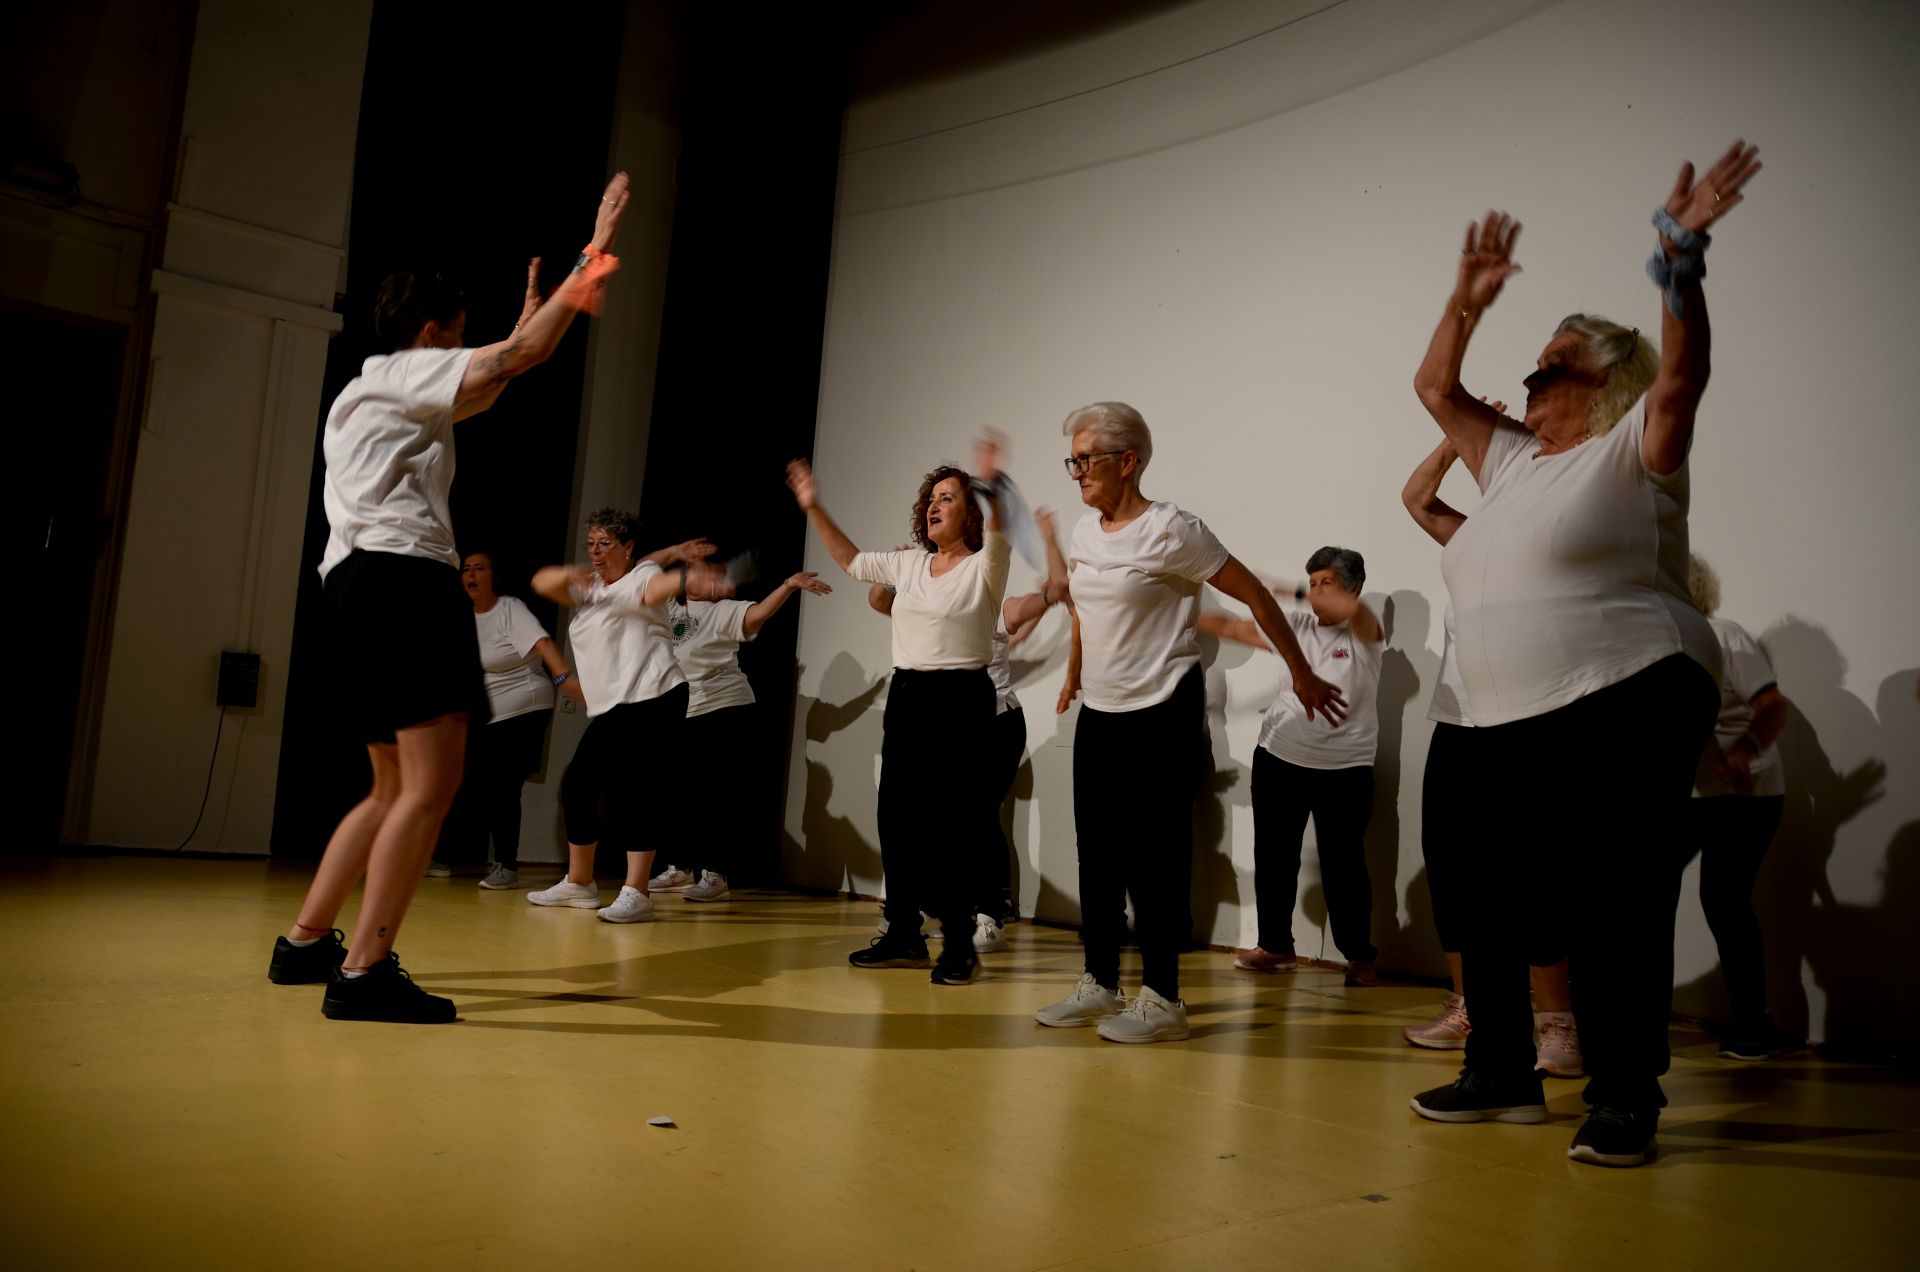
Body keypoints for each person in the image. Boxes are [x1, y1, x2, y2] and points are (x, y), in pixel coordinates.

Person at [1405, 141, 1760, 1168]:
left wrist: (1679, 257)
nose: (1534, 372)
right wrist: (1465, 302)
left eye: (1556, 359)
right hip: (1486, 709)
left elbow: (1686, 371)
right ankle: (1504, 1073)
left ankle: (1624, 1093)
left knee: (1614, 898)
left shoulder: (1631, 448)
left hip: (1626, 686)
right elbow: (1435, 386)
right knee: (1477, 893)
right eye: (1536, 358)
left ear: (1606, 378)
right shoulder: (1511, 458)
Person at [265, 171, 631, 1023]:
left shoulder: (372, 393)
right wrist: (595, 253)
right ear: (431, 334)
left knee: (389, 789)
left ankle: (307, 943)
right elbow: (518, 359)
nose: (464, 350)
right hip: (403, 585)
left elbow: (494, 378)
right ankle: (364, 973)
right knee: (433, 786)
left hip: (352, 591)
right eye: (457, 336)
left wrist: (524, 325)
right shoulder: (400, 376)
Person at [1039, 402, 1345, 1044]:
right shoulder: (1084, 532)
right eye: (1072, 459)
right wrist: (1073, 675)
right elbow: (1084, 615)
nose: (1076, 472)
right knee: (1096, 851)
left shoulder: (1173, 529)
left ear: (1129, 461)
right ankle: (1100, 980)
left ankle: (1163, 997)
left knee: (1154, 856)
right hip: (1101, 709)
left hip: (1161, 709)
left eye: (1085, 458)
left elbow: (1255, 594)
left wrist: (1300, 670)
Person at [787, 437, 1010, 986]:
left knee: (955, 825)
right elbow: (848, 560)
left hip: (963, 698)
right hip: (909, 696)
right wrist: (813, 503)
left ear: (970, 513)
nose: (935, 505)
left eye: (950, 497)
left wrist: (990, 484)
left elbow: (1002, 530)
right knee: (898, 819)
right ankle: (904, 931)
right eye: (932, 498)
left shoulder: (985, 566)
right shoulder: (908, 564)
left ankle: (958, 944)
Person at [1397, 433, 1582, 1078]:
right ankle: (1471, 1006)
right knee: (1452, 874)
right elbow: (1416, 499)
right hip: (1458, 723)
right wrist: (1455, 440)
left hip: (1529, 718)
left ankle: (1557, 1023)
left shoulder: (1548, 549)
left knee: (1534, 877)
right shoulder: (1475, 544)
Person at [867, 508, 1069, 951]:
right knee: (928, 816)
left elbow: (1047, 596)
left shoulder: (990, 599)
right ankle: (928, 905)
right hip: (946, 727)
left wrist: (1051, 549)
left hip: (995, 722)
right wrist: (897, 575)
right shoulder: (930, 598)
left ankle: (993, 911)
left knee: (976, 814)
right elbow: (880, 602)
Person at [526, 509, 731, 922]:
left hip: (655, 694)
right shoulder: (591, 589)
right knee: (578, 786)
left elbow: (660, 583)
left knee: (639, 791)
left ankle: (637, 892)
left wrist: (691, 578)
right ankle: (580, 883)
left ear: (628, 547)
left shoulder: (641, 577)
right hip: (615, 706)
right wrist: (576, 569)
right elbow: (539, 581)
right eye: (591, 545)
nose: (595, 552)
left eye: (605, 544)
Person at [1203, 546, 1385, 986]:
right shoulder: (1297, 625)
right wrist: (1171, 608)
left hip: (1345, 769)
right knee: (1273, 856)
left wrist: (1290, 590)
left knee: (1344, 866)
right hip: (1280, 758)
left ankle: (1359, 955)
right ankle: (1277, 946)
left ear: (1353, 588)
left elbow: (1356, 614)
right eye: (1313, 581)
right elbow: (1235, 627)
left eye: (1327, 583)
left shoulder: (1365, 631)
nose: (1318, 591)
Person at [653, 558, 833, 902]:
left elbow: (760, 613)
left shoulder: (725, 611)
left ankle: (715, 874)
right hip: (680, 709)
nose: (704, 577)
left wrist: (789, 584)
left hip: (724, 707)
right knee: (674, 791)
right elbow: (647, 580)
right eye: (695, 572)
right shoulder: (668, 610)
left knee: (713, 794)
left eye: (711, 573)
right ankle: (679, 868)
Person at [1683, 553, 1792, 1060]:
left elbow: (1772, 707)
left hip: (1745, 794)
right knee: (1631, 891)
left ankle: (1755, 1024)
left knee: (1724, 901)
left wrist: (1744, 751)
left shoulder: (1724, 636)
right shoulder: (1654, 643)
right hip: (1692, 794)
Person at [426, 551, 583, 889]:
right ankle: (450, 855)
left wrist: (566, 681)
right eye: (466, 569)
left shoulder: (509, 609)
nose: (471, 574)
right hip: (487, 712)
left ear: (493, 577)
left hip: (525, 705)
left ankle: (507, 865)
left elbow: (543, 645)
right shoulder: (463, 618)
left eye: (479, 568)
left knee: (502, 783)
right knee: (464, 780)